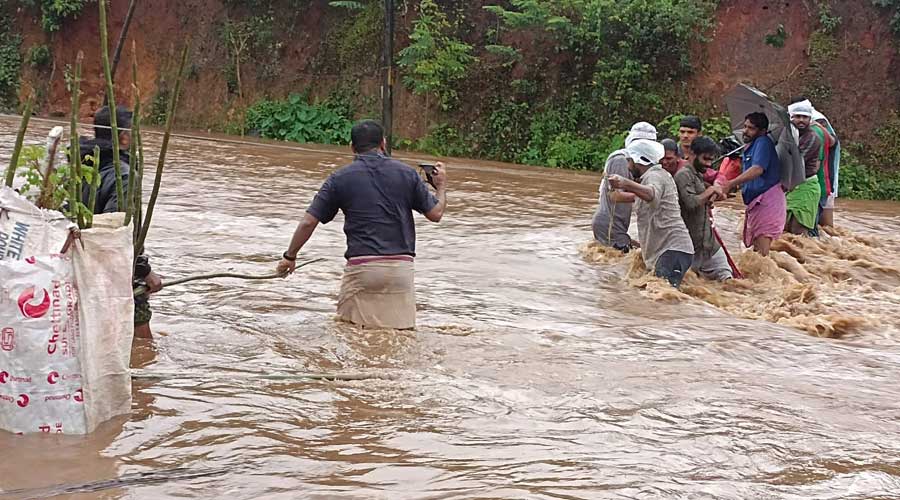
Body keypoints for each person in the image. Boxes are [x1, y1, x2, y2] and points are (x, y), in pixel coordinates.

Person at [276, 120, 447, 330]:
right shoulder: (407, 173)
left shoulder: (340, 178)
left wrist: (289, 256)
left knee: (349, 333)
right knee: (403, 336)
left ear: (352, 147)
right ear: (383, 144)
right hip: (401, 270)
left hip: (362, 269)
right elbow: (436, 214)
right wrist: (440, 187)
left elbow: (308, 221)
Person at [80, 105, 162, 339]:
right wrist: (144, 272)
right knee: (143, 348)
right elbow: (116, 235)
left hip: (83, 270)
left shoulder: (80, 166)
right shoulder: (123, 175)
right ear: (125, 136)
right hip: (115, 275)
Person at [608, 139, 694, 288]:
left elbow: (651, 194)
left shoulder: (655, 175)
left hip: (673, 249)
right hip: (671, 251)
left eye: (629, 161)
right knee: (657, 297)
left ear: (638, 160)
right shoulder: (653, 177)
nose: (628, 166)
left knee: (660, 296)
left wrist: (625, 183)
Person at [715, 112, 785, 256]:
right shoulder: (752, 145)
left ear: (762, 131)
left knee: (761, 253)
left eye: (751, 128)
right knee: (756, 252)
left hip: (766, 201)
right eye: (745, 126)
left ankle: (764, 278)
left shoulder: (763, 143)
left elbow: (757, 169)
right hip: (757, 201)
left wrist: (731, 183)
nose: (745, 131)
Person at [590, 122, 657, 252]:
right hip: (610, 225)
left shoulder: (637, 162)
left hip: (618, 224)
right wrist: (649, 196)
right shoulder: (621, 160)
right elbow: (616, 196)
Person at [674, 137, 733, 281]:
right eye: (705, 159)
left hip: (709, 244)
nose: (708, 164)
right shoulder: (683, 175)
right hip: (691, 246)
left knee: (729, 282)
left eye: (710, 160)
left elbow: (704, 196)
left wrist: (713, 196)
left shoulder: (698, 174)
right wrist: (710, 190)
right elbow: (691, 202)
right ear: (692, 154)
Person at [785, 101, 822, 235]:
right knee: (784, 230)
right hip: (791, 187)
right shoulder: (790, 136)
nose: (801, 120)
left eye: (805, 117)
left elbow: (795, 161)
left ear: (809, 119)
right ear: (791, 118)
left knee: (798, 232)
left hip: (806, 187)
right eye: (797, 116)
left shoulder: (812, 138)